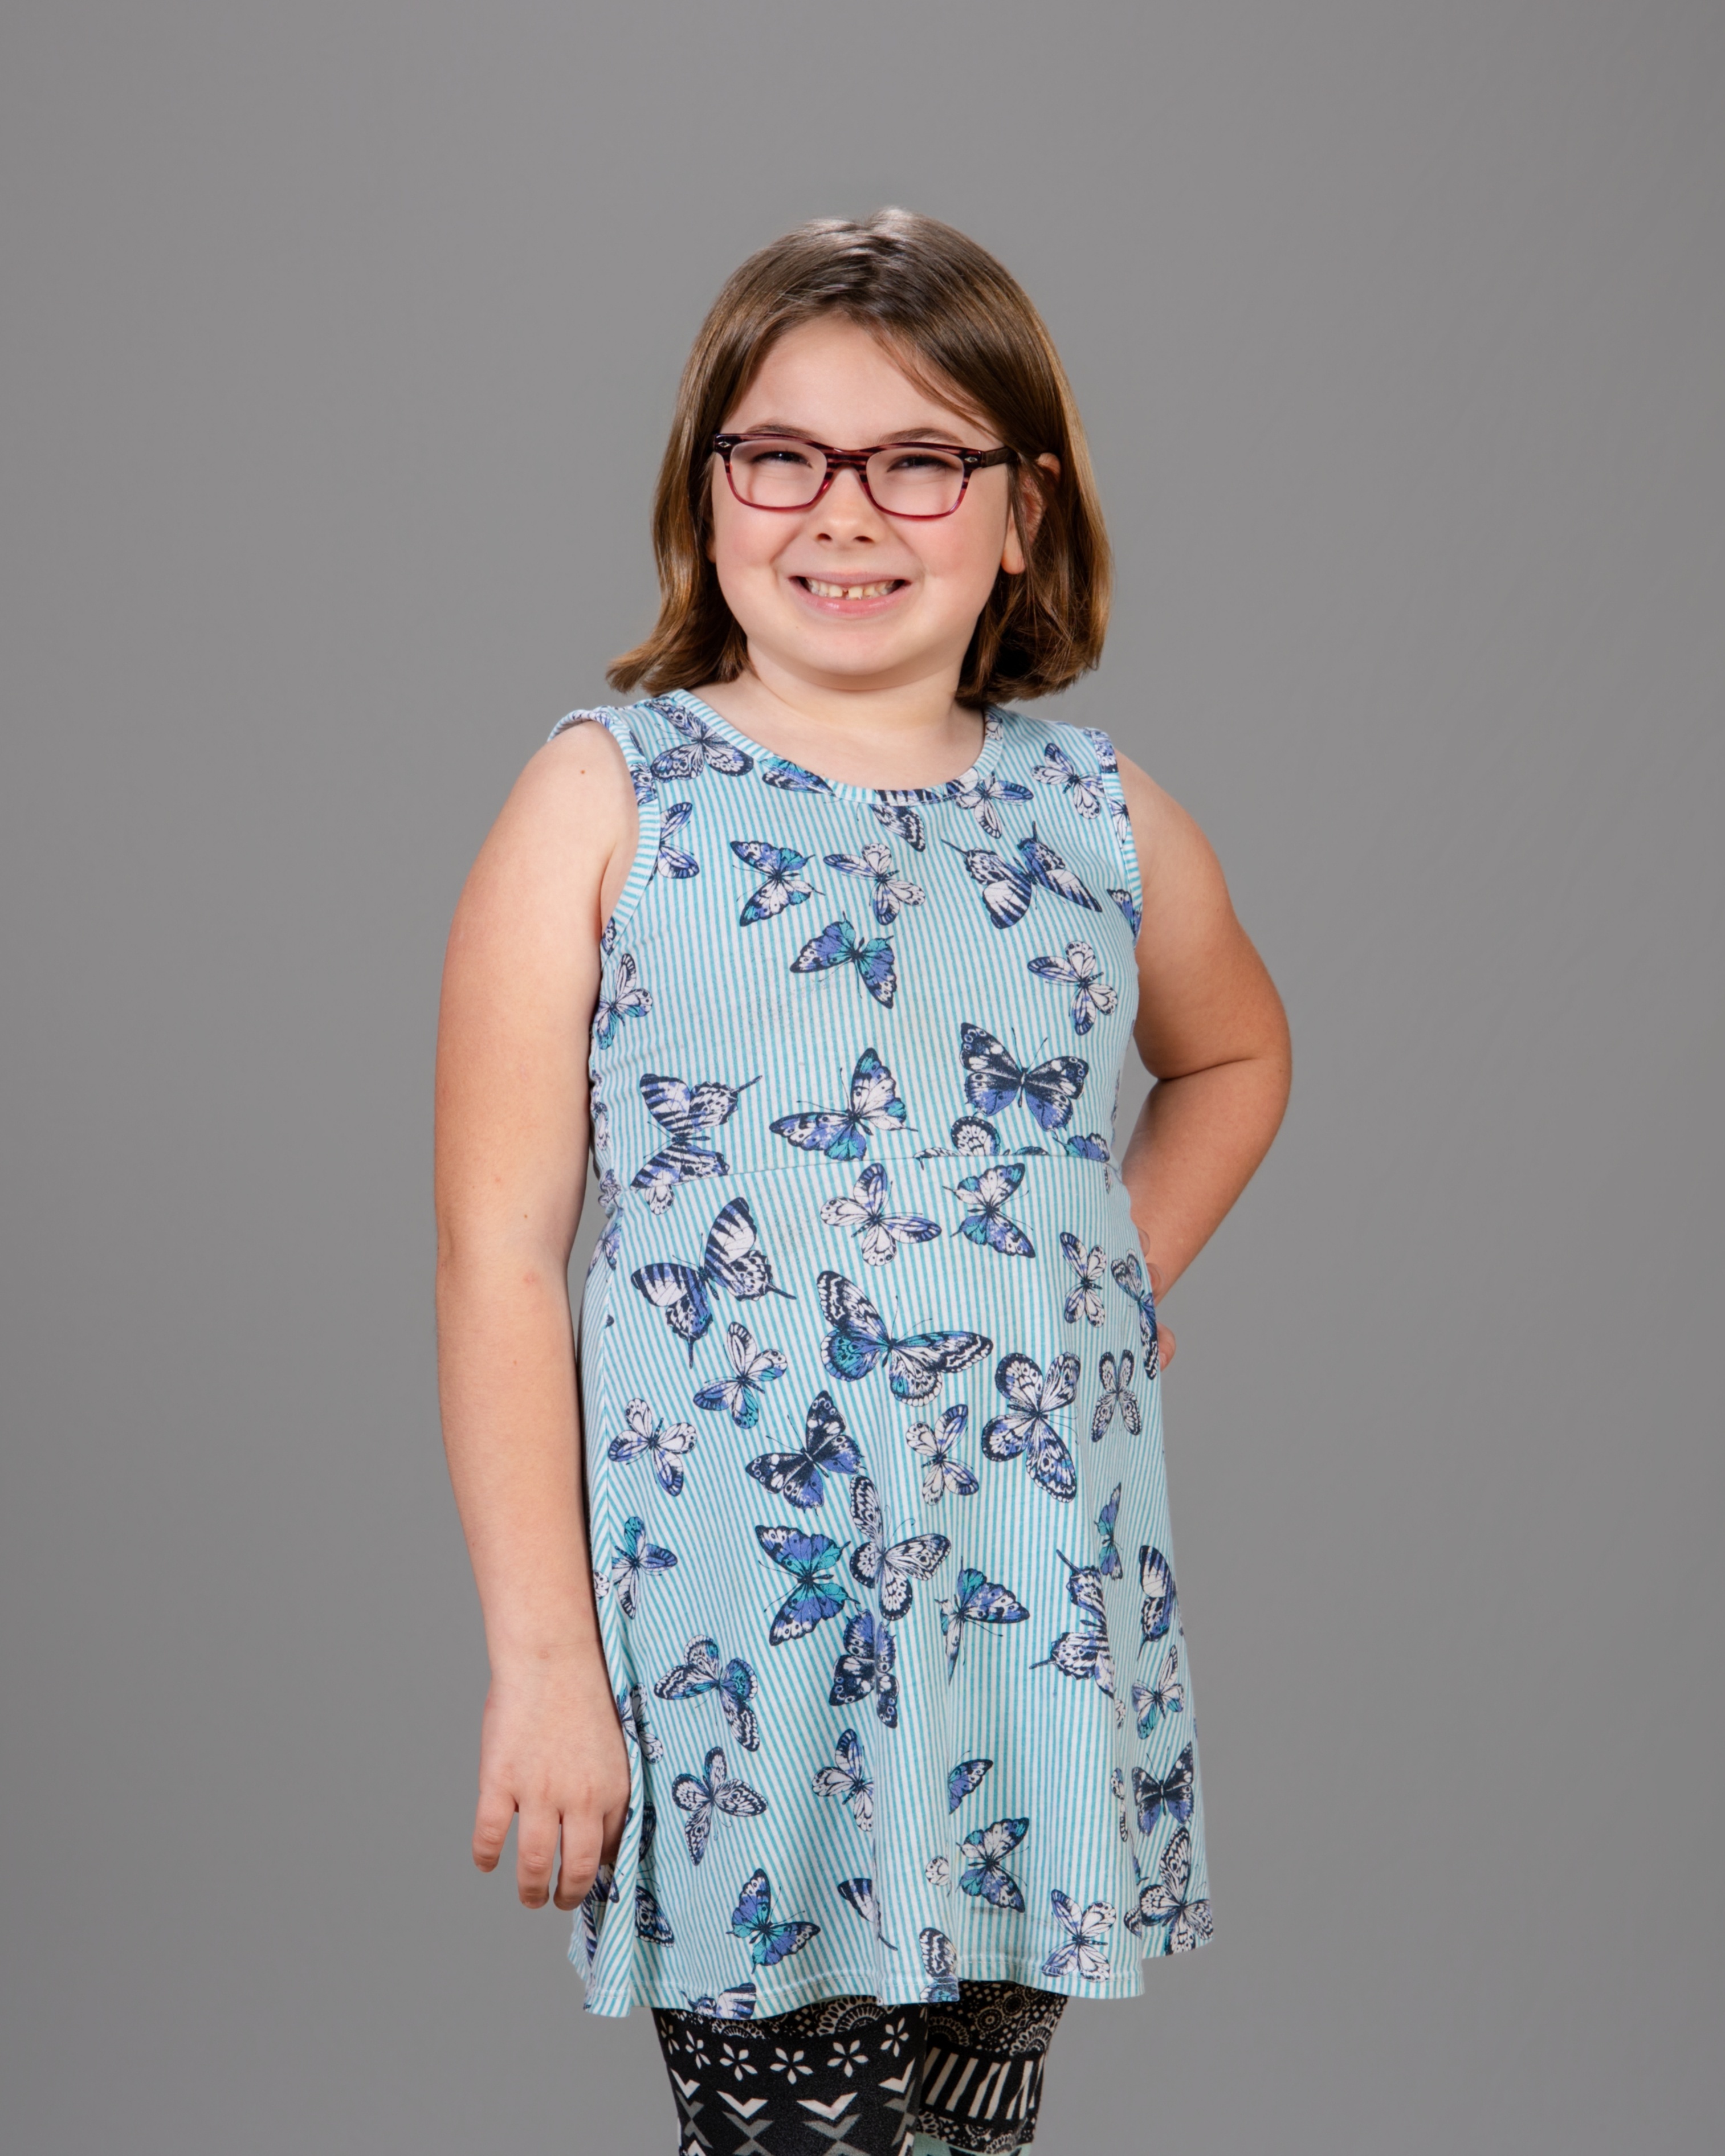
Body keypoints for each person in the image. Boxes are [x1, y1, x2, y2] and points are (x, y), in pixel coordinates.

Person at [435, 209, 1291, 2156]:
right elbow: (495, 1252)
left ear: (1022, 513)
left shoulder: (1097, 816)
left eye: (917, 461)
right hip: (743, 1638)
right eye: (783, 456)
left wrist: (1106, 1273)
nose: (843, 512)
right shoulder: (606, 798)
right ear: (707, 488)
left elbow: (1236, 1056)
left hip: (1024, 1611)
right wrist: (545, 1660)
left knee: (973, 2139)